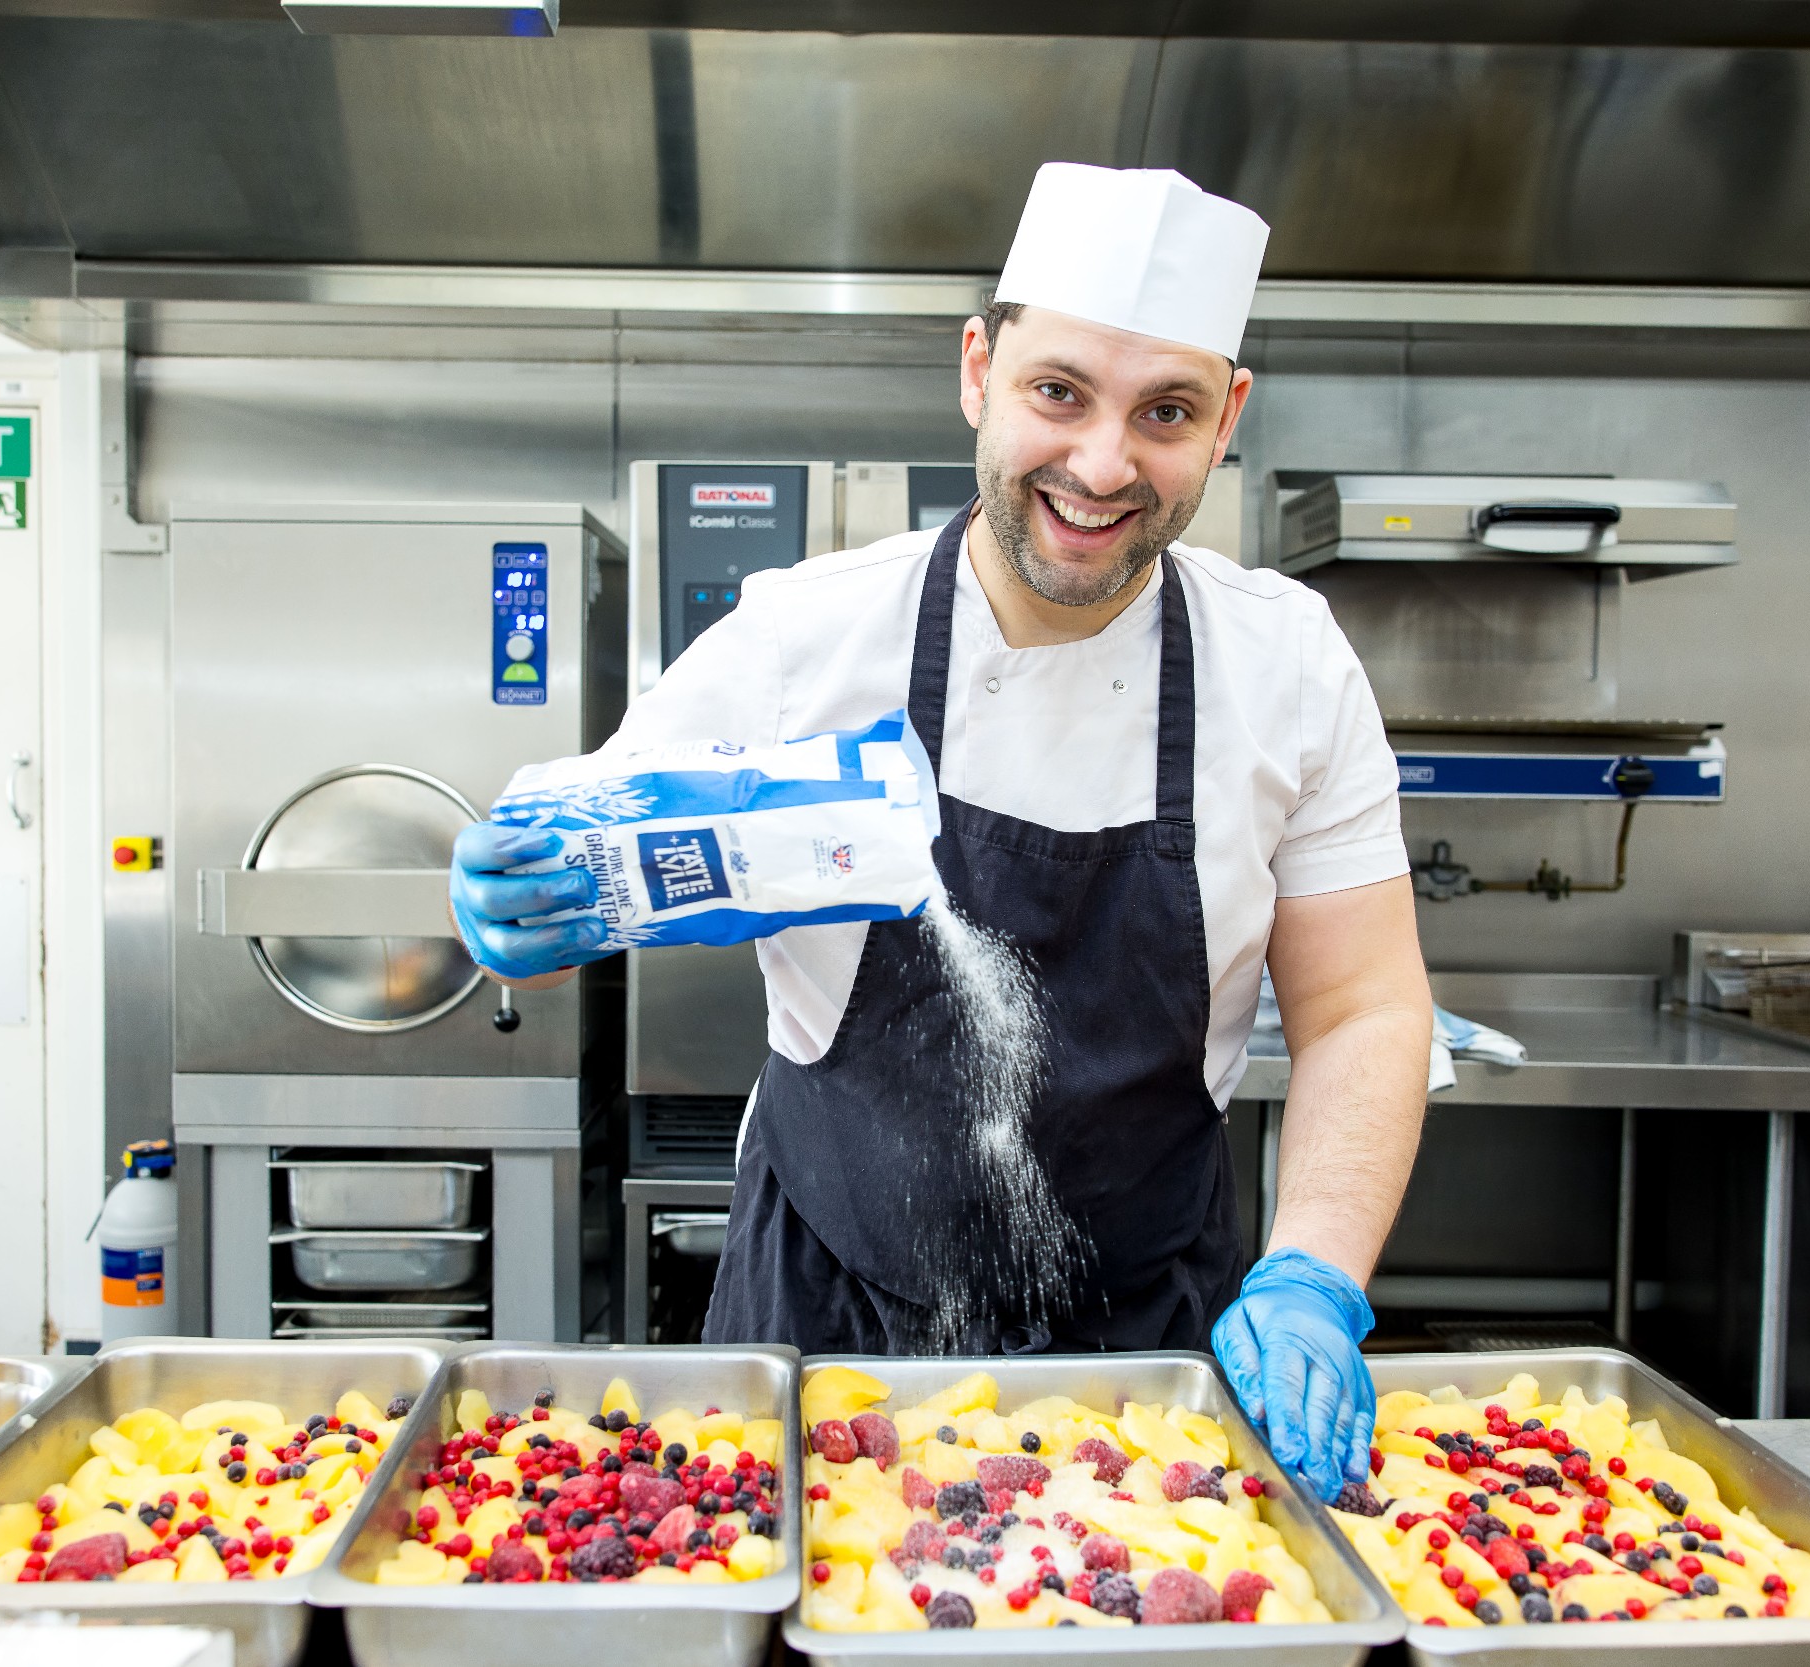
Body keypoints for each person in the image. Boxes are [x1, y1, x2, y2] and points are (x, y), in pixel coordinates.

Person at [450, 163, 1432, 1502]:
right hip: (826, 1333)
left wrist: (1314, 1271)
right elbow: (587, 864)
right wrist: (522, 897)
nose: (1103, 465)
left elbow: (1365, 1006)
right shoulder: (802, 640)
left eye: (1166, 412)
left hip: (1145, 1358)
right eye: (1058, 392)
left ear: (1226, 421)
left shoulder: (1288, 668)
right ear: (978, 370)